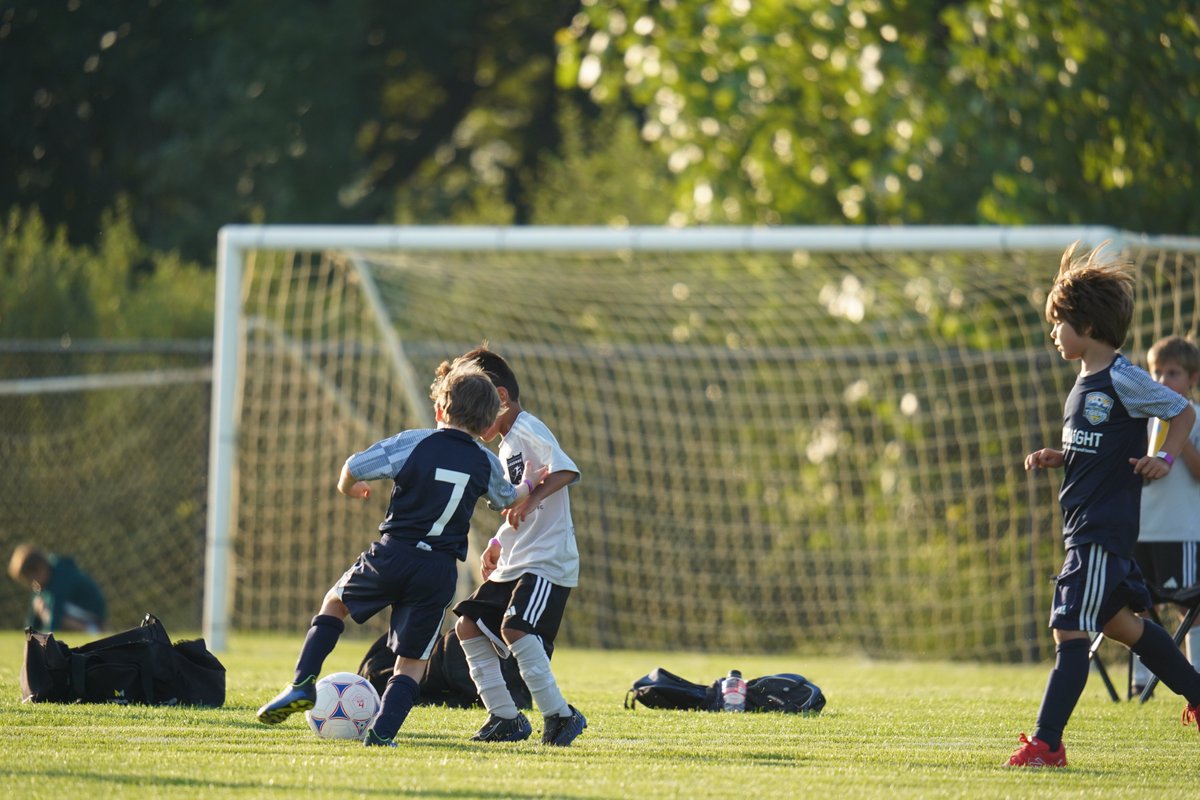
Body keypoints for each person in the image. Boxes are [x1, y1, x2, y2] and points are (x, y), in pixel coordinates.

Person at [255, 359, 544, 747]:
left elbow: (353, 467)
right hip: (439, 571)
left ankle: (303, 682)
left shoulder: (416, 441)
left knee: (335, 603)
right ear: (488, 425)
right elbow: (508, 497)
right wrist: (530, 482)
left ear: (441, 408)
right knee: (413, 662)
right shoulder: (485, 462)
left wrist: (349, 488)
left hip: (393, 553)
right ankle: (382, 734)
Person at [1011, 241, 1200, 768]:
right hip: (1088, 528)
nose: (1053, 332)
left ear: (1087, 327)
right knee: (1125, 628)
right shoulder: (1084, 382)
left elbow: (1182, 411)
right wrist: (1061, 456)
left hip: (1099, 530)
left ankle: (1047, 744)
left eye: (1059, 323)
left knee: (1067, 629)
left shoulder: (1122, 376)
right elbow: (1097, 446)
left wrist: (1163, 455)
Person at [448, 345, 588, 747]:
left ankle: (560, 716)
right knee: (468, 625)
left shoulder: (528, 428)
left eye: (477, 402)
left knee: (515, 627)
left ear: (501, 398)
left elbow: (564, 468)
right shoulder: (506, 445)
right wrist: (495, 540)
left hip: (545, 562)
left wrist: (533, 497)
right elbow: (517, 508)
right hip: (516, 559)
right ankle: (505, 718)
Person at [1130, 335, 1200, 692]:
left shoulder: (1195, 419)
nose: (1162, 381)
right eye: (1156, 373)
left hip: (1182, 531)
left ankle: (1196, 675)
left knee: (1189, 605)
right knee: (1139, 604)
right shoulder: (1144, 420)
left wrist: (1179, 436)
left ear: (1192, 379)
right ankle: (1141, 680)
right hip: (1143, 531)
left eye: (1172, 373)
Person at [8, 544, 107, 633]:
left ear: (40, 570)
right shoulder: (47, 578)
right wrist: (29, 635)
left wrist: (47, 640)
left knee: (46, 608)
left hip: (92, 613)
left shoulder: (60, 576)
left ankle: (92, 630)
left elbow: (55, 616)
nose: (31, 585)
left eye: (32, 580)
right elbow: (33, 620)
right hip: (76, 611)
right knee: (40, 603)